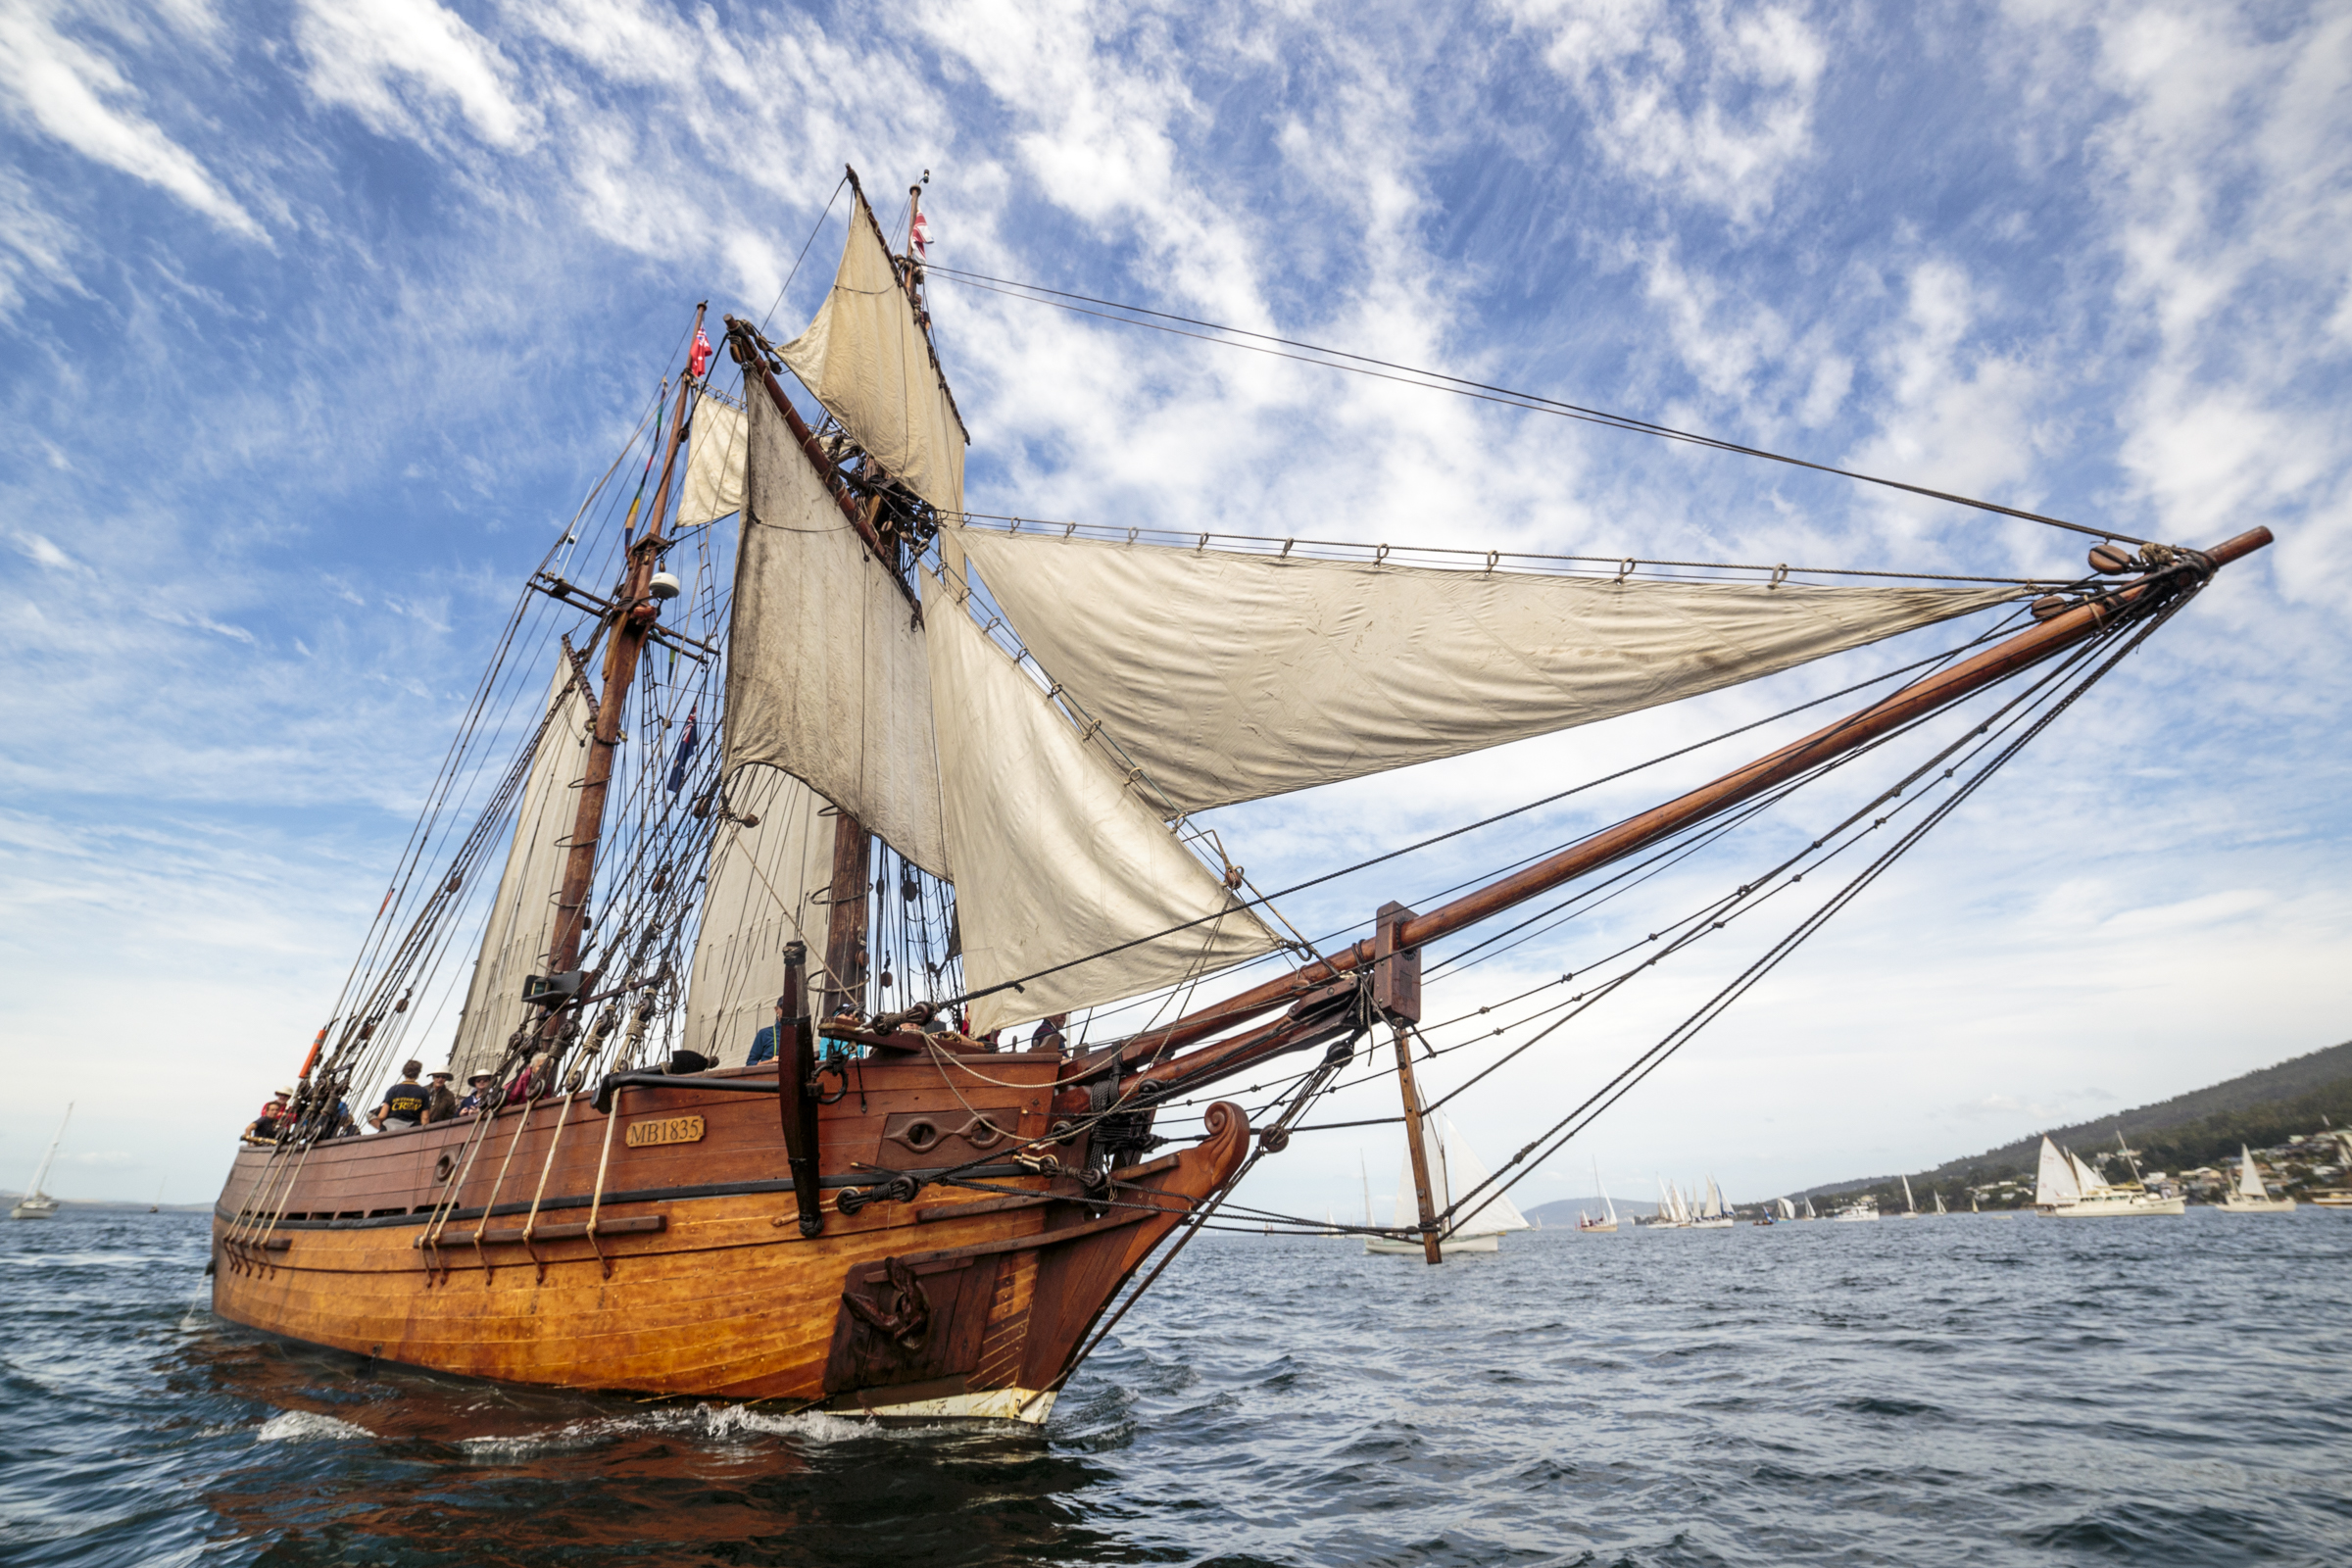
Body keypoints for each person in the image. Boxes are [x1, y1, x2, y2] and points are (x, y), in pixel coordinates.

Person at [369, 1060, 431, 1131]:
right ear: (418, 1074)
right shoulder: (423, 1092)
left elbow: (382, 1115)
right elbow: (425, 1119)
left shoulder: (393, 1090)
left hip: (390, 1127)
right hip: (412, 1127)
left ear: (404, 1072)